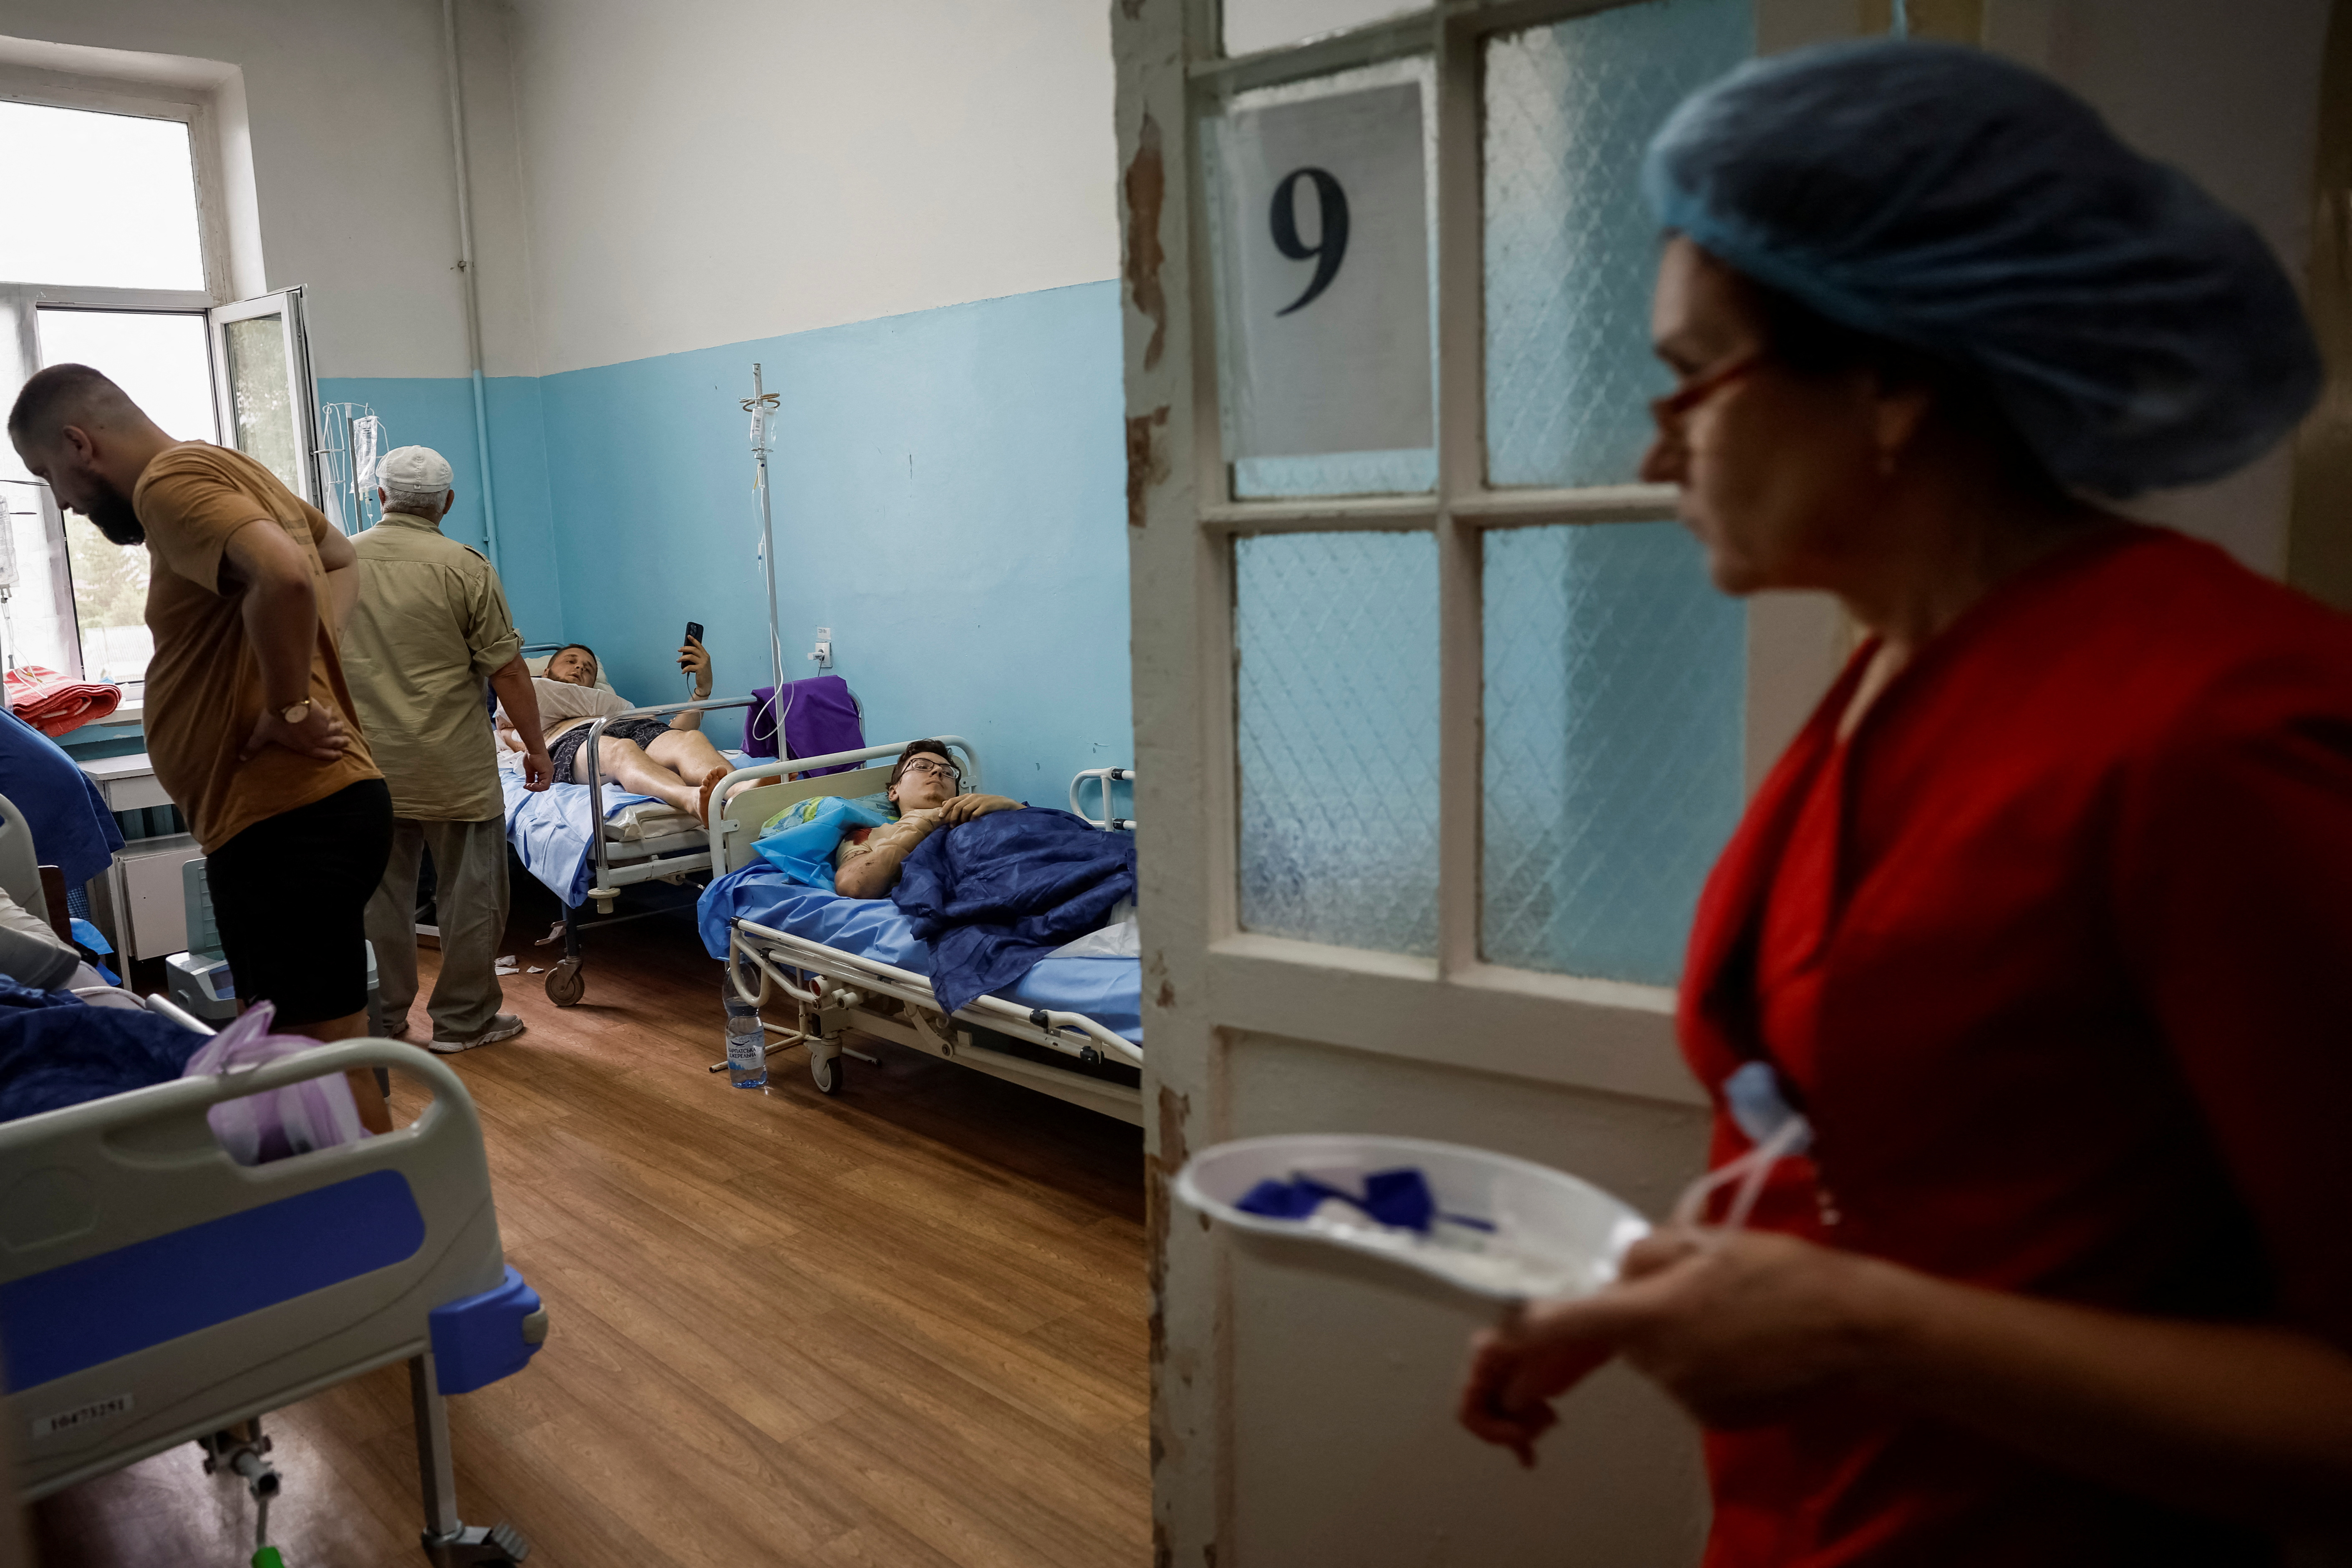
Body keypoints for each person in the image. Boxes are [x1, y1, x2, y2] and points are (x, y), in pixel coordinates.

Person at [1455, 41, 2352, 1567]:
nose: (1650, 445)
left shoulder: (2222, 730)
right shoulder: (1896, 658)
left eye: (1692, 378)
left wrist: (1867, 1329)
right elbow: (1900, 1149)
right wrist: (1667, 1284)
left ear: (1887, 381)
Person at [7, 365, 394, 1132]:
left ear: (80, 444)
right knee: (302, 1054)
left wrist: (289, 703)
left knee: (315, 1063)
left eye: (49, 475)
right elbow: (340, 559)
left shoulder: (169, 482)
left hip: (288, 815)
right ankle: (355, 1220)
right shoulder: (229, 467)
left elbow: (285, 577)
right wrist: (308, 656)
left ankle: (401, 1233)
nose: (62, 501)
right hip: (297, 815)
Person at [341, 446, 552, 1054]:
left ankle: (380, 1018)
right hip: (450, 765)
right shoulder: (464, 567)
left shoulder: (338, 561)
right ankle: (464, 1021)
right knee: (472, 895)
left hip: (364, 766)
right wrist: (536, 748)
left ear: (380, 498)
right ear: (448, 503)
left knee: (377, 897)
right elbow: (508, 669)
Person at [494, 639, 734, 820]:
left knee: (691, 740)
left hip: (622, 722)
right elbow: (511, 734)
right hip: (570, 738)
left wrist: (703, 689)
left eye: (588, 669)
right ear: (546, 672)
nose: (580, 667)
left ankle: (743, 789)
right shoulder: (530, 695)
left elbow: (673, 731)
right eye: (571, 661)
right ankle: (690, 799)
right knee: (622, 750)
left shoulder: (609, 704)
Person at [832, 739, 1020, 899]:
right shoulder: (867, 836)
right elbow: (853, 886)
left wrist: (1013, 808)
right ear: (893, 792)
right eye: (922, 766)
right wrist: (923, 824)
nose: (938, 771)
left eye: (948, 772)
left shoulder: (984, 812)